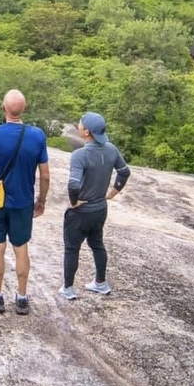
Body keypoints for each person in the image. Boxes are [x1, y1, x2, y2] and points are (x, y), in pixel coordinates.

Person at [0, 89, 50, 316]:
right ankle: (22, 298)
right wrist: (41, 200)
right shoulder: (37, 136)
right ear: (24, 108)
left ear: (3, 108)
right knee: (21, 247)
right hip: (23, 203)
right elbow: (45, 175)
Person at [58, 112, 130, 300]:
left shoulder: (80, 155)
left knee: (72, 249)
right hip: (100, 209)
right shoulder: (111, 149)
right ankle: (100, 283)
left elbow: (73, 184)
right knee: (97, 244)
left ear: (87, 132)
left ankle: (68, 288)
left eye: (81, 125)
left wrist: (73, 203)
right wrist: (112, 193)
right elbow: (124, 172)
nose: (79, 126)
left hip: (81, 212)